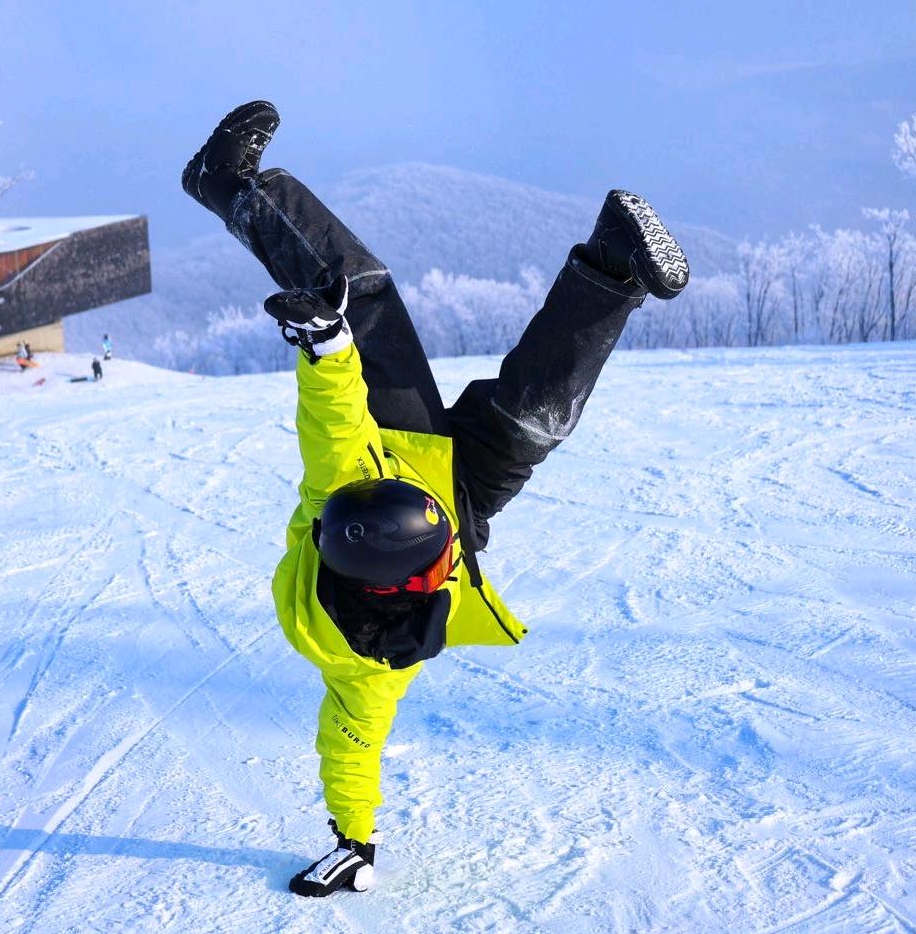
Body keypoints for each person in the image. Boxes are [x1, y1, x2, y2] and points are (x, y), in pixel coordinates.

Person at [181, 101, 690, 898]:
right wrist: (355, 839)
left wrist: (324, 340)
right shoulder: (378, 668)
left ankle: (226, 185)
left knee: (362, 294)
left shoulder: (340, 486)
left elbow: (335, 415)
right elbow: (351, 747)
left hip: (392, 438)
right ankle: (610, 265)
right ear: (429, 569)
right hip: (460, 495)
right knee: (535, 419)